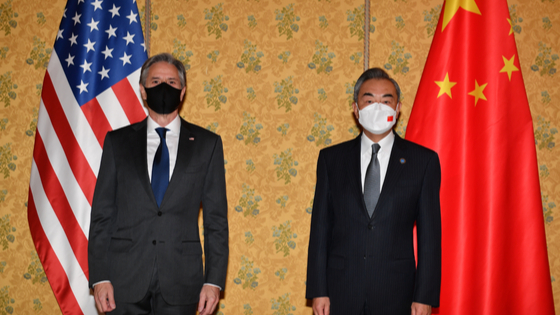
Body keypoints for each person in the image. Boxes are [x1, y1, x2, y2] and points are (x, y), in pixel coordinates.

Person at [88, 53, 228, 315]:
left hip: (182, 282)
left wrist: (214, 281)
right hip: (123, 282)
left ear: (183, 91)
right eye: (155, 82)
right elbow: (102, 216)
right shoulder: (117, 143)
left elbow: (216, 221)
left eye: (172, 83)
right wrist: (100, 277)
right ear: (143, 90)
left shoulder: (208, 145)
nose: (164, 87)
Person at [306, 68, 441, 315]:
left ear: (398, 108)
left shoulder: (423, 162)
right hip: (340, 292)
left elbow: (430, 237)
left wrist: (425, 296)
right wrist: (318, 289)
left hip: (397, 294)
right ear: (356, 109)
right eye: (369, 100)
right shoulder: (331, 159)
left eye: (386, 100)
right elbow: (320, 229)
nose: (378, 107)